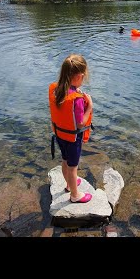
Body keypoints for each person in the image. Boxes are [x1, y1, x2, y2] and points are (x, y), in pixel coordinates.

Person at [49, 54, 94, 203]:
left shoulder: (57, 90)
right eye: (83, 76)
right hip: (73, 138)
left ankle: (69, 185)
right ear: (79, 76)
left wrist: (76, 92)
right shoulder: (77, 100)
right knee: (73, 167)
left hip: (60, 135)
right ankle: (75, 195)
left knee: (65, 160)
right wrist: (90, 107)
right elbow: (81, 123)